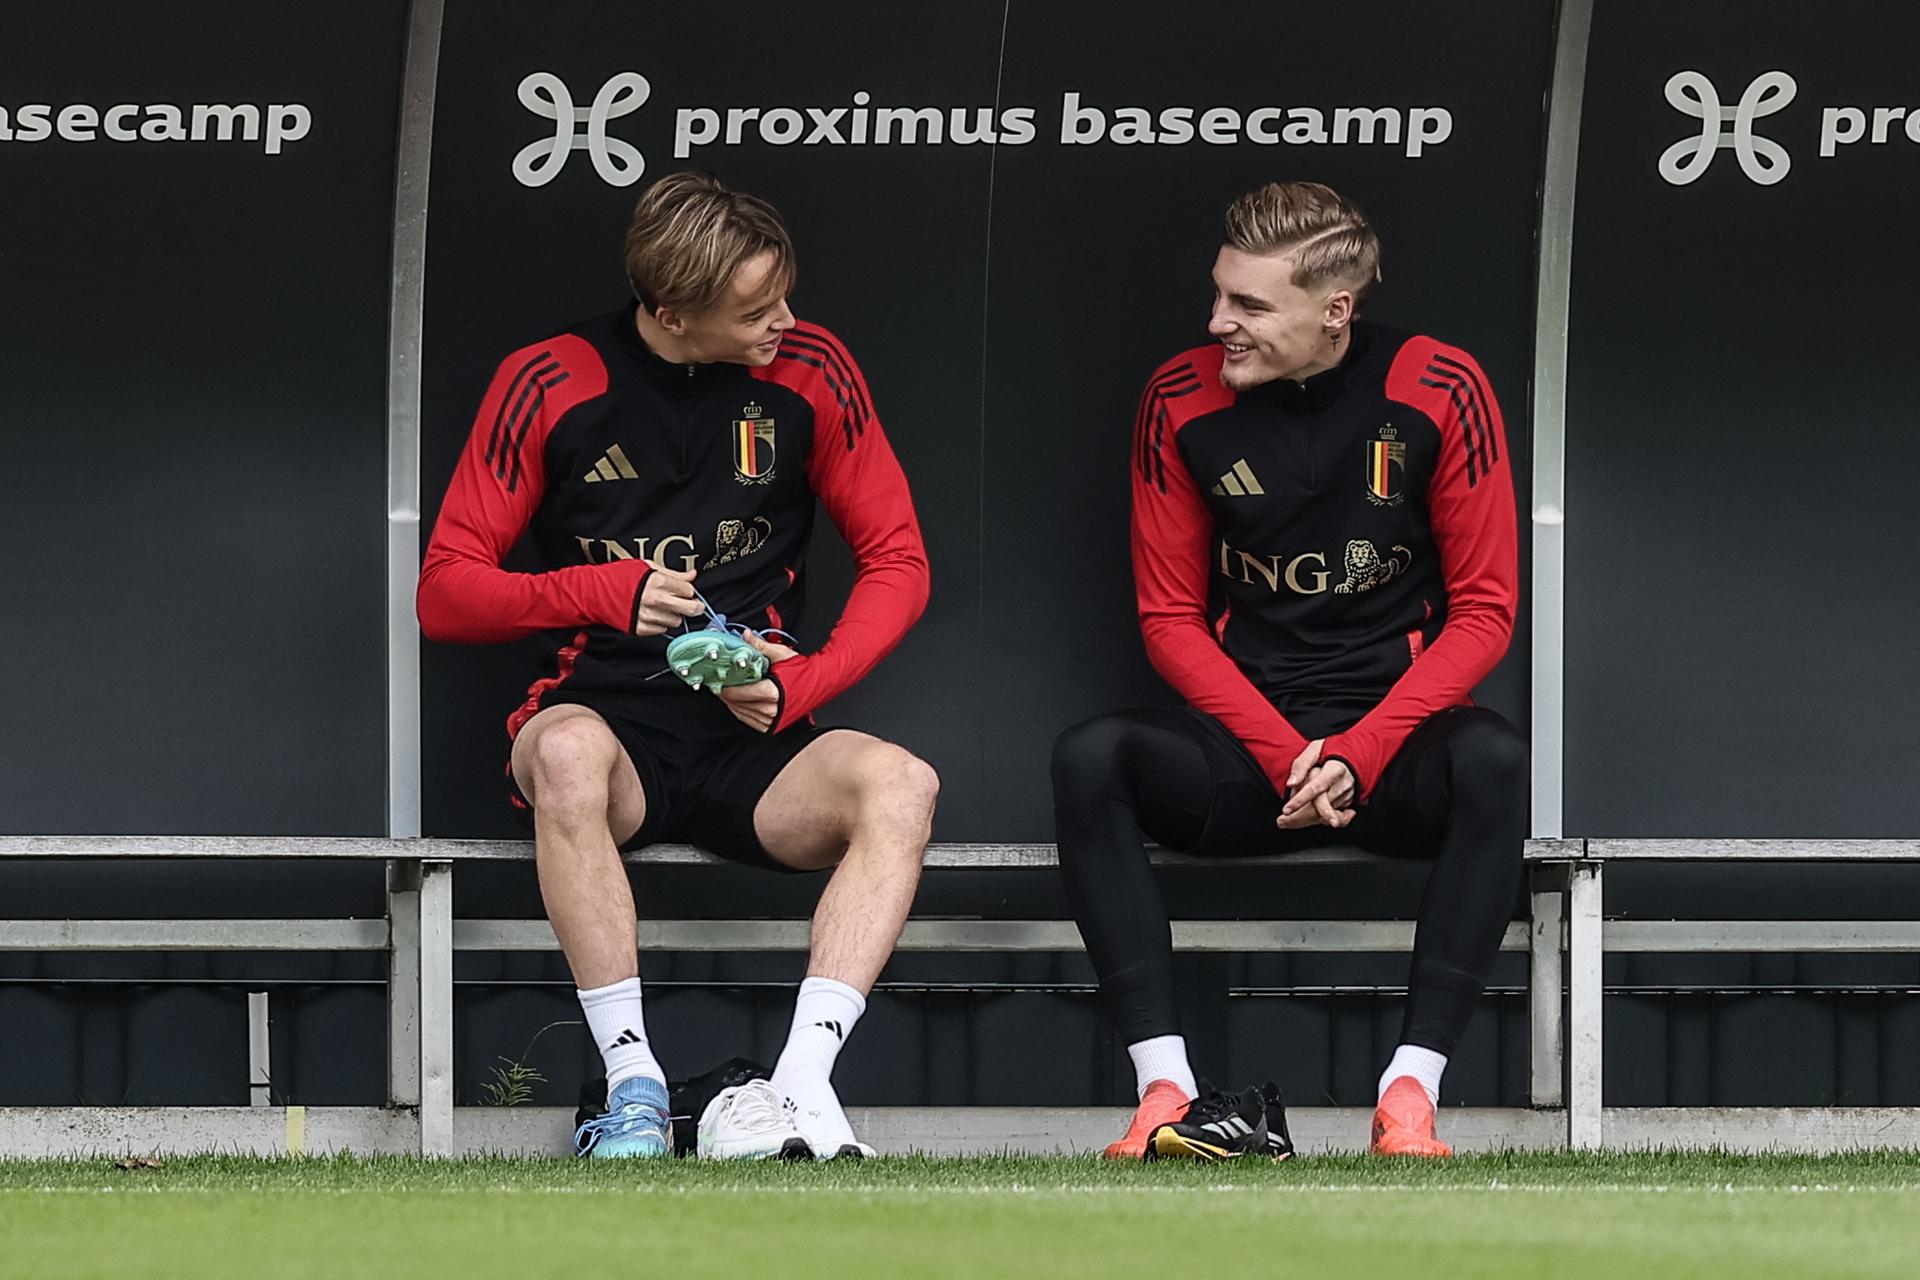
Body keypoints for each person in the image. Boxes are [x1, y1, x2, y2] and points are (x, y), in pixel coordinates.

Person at [417, 172, 935, 1160]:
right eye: (753, 309)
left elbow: (901, 562)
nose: (783, 319)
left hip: (755, 729)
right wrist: (597, 592)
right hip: (609, 723)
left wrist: (801, 684)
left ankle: (802, 1088)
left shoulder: (813, 365)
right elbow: (446, 590)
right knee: (564, 754)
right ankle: (634, 1085)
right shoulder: (552, 377)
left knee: (902, 785)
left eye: (783, 292)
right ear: (670, 309)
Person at [1053, 180, 1524, 1159]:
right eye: (1221, 293)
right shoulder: (1179, 394)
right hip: (1249, 751)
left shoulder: (1441, 385)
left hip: (1388, 749)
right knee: (1091, 756)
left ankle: (1409, 1095)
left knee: (1493, 759)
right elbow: (1169, 620)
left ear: (1335, 310)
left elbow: (1485, 614)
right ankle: (1163, 1094)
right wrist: (1288, 754)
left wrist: (1359, 751)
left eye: (1251, 306)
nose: (1218, 320)